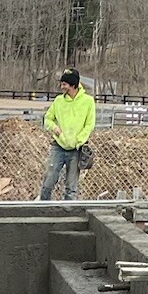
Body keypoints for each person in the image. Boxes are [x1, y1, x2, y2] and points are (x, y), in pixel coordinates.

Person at [40, 69, 95, 201]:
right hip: (58, 146)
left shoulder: (88, 101)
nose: (61, 87)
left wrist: (79, 140)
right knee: (49, 181)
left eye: (64, 84)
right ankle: (43, 208)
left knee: (71, 186)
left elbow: (89, 124)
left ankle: (68, 212)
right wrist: (54, 127)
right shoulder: (59, 101)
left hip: (76, 149)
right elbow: (47, 118)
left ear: (73, 85)